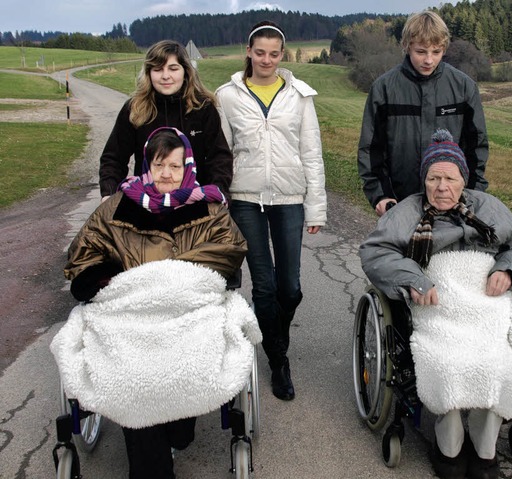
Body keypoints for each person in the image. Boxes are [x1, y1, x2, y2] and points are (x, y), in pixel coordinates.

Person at [360, 130, 512, 479]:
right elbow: (375, 253)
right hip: (438, 305)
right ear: (424, 180)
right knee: (447, 361)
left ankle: (484, 449)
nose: (441, 187)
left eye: (450, 178)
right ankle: (448, 444)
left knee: (502, 361)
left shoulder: (489, 208)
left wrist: (506, 270)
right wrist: (413, 277)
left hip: (485, 303)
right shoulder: (407, 212)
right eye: (433, 178)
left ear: (463, 179)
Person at [62, 127, 248, 479]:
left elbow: (231, 249)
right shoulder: (116, 208)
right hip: (129, 320)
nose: (166, 174)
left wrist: (169, 276)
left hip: (185, 318)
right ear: (146, 165)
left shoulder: (209, 208)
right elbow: (82, 255)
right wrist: (110, 278)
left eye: (175, 167)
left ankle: (173, 427)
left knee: (180, 407)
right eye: (159, 164)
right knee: (136, 376)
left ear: (188, 168)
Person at [215, 20, 327, 401]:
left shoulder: (299, 95)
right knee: (263, 284)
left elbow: (312, 154)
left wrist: (316, 209)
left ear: (283, 54)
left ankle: (273, 334)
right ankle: (278, 360)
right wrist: (220, 204)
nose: (266, 60)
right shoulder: (228, 96)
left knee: (290, 288)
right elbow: (221, 155)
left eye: (273, 53)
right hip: (245, 198)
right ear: (248, 52)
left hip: (289, 199)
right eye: (259, 52)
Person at [358, 9, 489, 217]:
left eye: (436, 52)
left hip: (452, 202)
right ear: (407, 46)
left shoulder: (464, 87)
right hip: (400, 203)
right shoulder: (383, 88)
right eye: (421, 51)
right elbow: (371, 149)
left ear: (444, 48)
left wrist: (472, 194)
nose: (429, 60)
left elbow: (476, 147)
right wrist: (380, 195)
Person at [99, 39, 233, 200]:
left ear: (185, 72)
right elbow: (114, 158)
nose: (165, 76)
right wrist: (108, 195)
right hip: (146, 204)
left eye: (173, 68)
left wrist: (217, 193)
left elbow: (219, 157)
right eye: (157, 69)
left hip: (195, 203)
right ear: (149, 73)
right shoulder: (135, 109)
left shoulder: (202, 108)